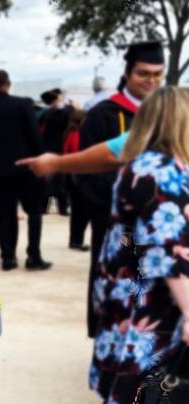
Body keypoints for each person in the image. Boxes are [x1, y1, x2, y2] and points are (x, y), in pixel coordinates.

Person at [89, 86, 189, 403]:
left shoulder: (141, 167)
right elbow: (167, 249)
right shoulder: (159, 171)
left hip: (133, 301)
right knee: (155, 391)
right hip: (159, 307)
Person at [78, 41, 165, 338]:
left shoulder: (169, 114)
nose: (151, 81)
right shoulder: (103, 114)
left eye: (157, 74)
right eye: (144, 74)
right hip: (116, 222)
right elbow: (87, 172)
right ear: (128, 73)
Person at [0, 70, 51, 271]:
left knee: (5, 213)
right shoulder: (23, 104)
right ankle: (33, 256)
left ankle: (8, 257)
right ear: (8, 84)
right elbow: (35, 136)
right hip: (26, 168)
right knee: (34, 212)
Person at [62, 109, 90, 251]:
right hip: (78, 176)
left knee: (77, 212)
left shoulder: (69, 133)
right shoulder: (77, 135)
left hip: (70, 175)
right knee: (82, 212)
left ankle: (75, 240)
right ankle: (77, 240)